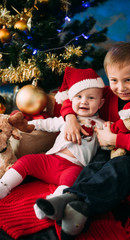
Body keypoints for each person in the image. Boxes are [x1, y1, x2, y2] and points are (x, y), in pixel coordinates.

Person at [35, 42, 130, 239]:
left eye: (128, 80)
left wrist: (116, 139)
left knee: (118, 169)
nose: (121, 87)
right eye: (114, 80)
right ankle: (70, 200)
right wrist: (69, 118)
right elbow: (70, 97)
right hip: (105, 151)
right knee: (94, 167)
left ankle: (75, 204)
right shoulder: (106, 96)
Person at [0, 67, 105, 213]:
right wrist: (28, 125)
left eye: (91, 98)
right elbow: (46, 124)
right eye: (79, 97)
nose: (84, 102)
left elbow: (107, 143)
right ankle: (4, 186)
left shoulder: (101, 125)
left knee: (73, 181)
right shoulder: (66, 119)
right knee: (26, 161)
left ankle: (53, 204)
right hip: (52, 160)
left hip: (74, 166)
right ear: (71, 99)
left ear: (100, 103)